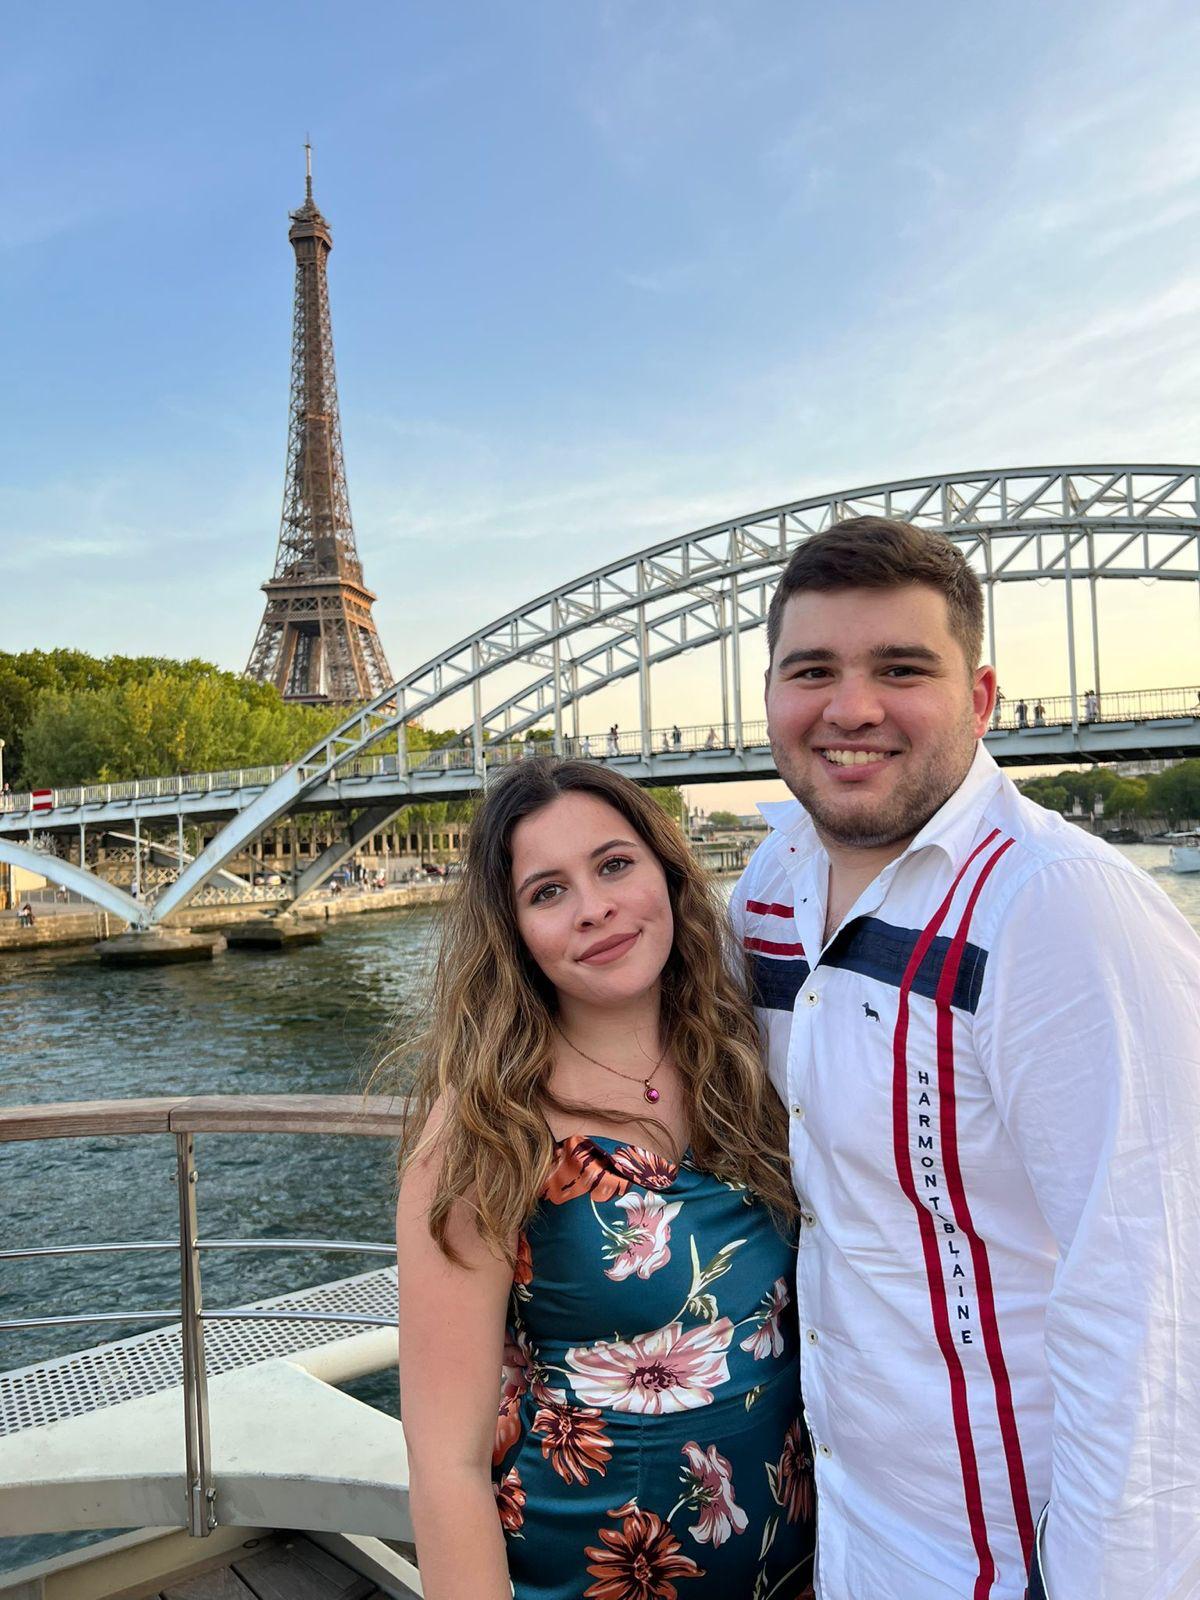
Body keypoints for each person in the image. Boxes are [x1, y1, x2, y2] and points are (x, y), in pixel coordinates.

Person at [731, 516, 1200, 1600]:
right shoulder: (770, 887)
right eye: (814, 671)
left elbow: (1156, 1298)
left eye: (902, 668)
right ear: (771, 697)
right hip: (850, 1526)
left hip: (1016, 1554)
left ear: (981, 699)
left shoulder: (1056, 907)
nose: (851, 708)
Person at [392, 758, 816, 1600]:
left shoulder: (749, 1062)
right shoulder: (488, 1127)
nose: (595, 908)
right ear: (512, 931)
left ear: (666, 869)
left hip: (794, 1566)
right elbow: (446, 1461)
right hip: (584, 1574)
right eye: (547, 892)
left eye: (615, 864)